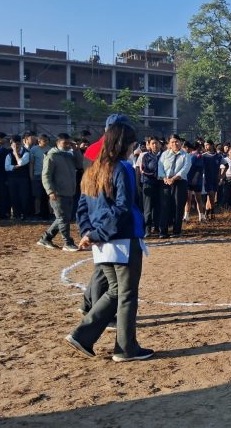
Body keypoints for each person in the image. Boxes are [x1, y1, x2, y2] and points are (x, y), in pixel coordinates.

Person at [65, 115, 154, 362]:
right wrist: (96, 234)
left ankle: (83, 335)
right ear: (123, 143)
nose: (134, 149)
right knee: (126, 295)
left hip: (102, 242)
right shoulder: (120, 169)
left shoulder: (93, 169)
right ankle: (126, 348)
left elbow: (82, 207)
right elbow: (123, 208)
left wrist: (89, 233)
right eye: (132, 144)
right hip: (121, 239)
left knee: (115, 291)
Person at [37, 133, 81, 251]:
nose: (67, 145)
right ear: (58, 143)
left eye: (68, 143)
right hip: (57, 193)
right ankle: (67, 242)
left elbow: (80, 164)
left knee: (62, 218)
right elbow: (45, 176)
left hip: (69, 192)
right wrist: (50, 191)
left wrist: (76, 150)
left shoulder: (69, 155)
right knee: (63, 218)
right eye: (64, 143)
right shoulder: (51, 156)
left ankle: (45, 238)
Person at [157, 135, 191, 238]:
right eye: (172, 142)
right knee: (164, 206)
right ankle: (163, 231)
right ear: (169, 144)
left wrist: (174, 178)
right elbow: (160, 166)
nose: (174, 144)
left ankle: (176, 231)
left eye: (176, 142)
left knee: (178, 207)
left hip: (180, 183)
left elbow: (185, 169)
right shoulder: (164, 154)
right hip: (165, 183)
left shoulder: (186, 155)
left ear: (180, 142)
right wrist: (164, 178)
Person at [5, 133, 33, 221]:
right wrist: (15, 167)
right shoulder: (8, 154)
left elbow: (21, 163)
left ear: (21, 143)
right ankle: (16, 215)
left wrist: (16, 153)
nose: (16, 145)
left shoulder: (26, 153)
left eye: (17, 144)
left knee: (24, 196)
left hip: (23, 178)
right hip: (12, 179)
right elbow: (6, 167)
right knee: (14, 196)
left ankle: (24, 215)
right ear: (11, 144)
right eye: (14, 144)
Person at [139, 137, 162, 234]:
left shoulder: (164, 156)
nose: (155, 145)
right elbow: (143, 170)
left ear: (160, 144)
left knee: (158, 207)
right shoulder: (146, 156)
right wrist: (155, 175)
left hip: (160, 184)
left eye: (156, 143)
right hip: (148, 183)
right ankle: (147, 229)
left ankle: (156, 227)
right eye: (153, 143)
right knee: (148, 208)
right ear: (149, 145)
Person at [201, 139, 226, 218]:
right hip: (207, 179)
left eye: (207, 145)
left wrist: (222, 175)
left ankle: (207, 213)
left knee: (211, 197)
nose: (206, 147)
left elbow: (226, 165)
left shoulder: (218, 156)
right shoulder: (203, 156)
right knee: (211, 195)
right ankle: (212, 211)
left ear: (212, 145)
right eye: (205, 145)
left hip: (215, 179)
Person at [29, 134, 51, 219]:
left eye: (47, 140)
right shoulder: (33, 150)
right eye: (44, 140)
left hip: (48, 175)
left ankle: (50, 213)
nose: (46, 142)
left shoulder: (50, 149)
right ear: (39, 141)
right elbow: (31, 163)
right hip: (37, 175)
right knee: (37, 196)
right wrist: (31, 175)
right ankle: (37, 213)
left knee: (50, 195)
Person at [183, 141, 205, 223]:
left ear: (187, 148)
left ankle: (201, 217)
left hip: (196, 181)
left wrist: (195, 178)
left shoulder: (197, 156)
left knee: (198, 199)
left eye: (183, 147)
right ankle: (186, 217)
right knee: (188, 199)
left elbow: (199, 168)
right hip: (188, 180)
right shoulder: (188, 155)